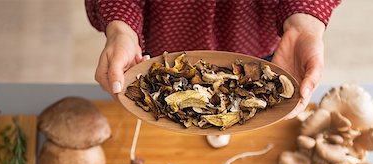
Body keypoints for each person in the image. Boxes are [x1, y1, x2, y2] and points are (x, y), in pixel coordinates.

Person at [86, 0, 341, 118]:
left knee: (253, 87)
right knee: (159, 90)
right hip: (167, 31)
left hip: (250, 30)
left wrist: (305, 20)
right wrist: (123, 28)